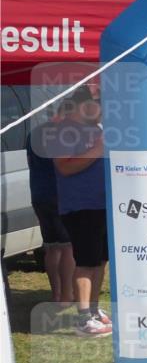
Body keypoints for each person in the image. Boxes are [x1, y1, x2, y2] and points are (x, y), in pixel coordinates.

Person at [51, 88, 111, 337]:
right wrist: (98, 149)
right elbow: (64, 167)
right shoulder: (63, 131)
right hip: (81, 206)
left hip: (103, 204)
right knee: (86, 262)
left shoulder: (96, 130)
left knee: (100, 260)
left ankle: (93, 311)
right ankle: (83, 318)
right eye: (99, 103)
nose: (103, 110)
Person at [27, 104, 76, 306]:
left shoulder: (34, 134)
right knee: (68, 247)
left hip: (39, 194)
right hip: (60, 195)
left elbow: (30, 162)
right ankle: (67, 296)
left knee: (51, 247)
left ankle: (56, 294)